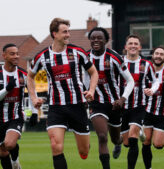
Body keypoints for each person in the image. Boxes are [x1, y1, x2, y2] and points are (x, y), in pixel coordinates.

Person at [27, 18, 98, 169]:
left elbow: (93, 72)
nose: (68, 35)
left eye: (68, 31)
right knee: (55, 146)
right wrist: (33, 98)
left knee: (84, 151)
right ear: (55, 34)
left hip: (77, 106)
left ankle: (84, 145)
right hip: (56, 107)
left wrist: (91, 90)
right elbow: (30, 76)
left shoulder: (77, 52)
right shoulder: (42, 56)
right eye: (65, 32)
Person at [86, 27, 134, 169]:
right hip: (96, 103)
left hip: (115, 104)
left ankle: (118, 144)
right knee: (102, 136)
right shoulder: (85, 57)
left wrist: (123, 99)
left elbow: (130, 81)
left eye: (99, 38)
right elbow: (82, 79)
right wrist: (86, 94)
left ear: (106, 40)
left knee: (116, 138)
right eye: (93, 38)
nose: (96, 40)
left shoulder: (115, 58)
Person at [0, 43, 38, 169]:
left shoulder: (23, 74)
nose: (16, 56)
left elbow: (33, 92)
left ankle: (15, 161)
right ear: (4, 56)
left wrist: (34, 112)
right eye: (12, 54)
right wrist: (6, 89)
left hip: (16, 115)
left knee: (9, 144)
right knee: (3, 152)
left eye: (17, 53)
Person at [120, 35, 159, 169]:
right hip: (121, 106)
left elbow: (156, 81)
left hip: (139, 105)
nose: (133, 46)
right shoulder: (119, 62)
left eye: (136, 44)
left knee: (132, 137)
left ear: (140, 47)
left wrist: (152, 90)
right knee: (126, 142)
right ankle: (140, 133)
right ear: (126, 47)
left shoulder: (146, 65)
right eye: (130, 43)